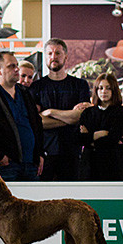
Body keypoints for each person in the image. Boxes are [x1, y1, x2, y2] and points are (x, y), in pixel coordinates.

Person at [0, 51, 44, 181]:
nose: (17, 69)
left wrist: (39, 153)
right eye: (11, 66)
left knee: (31, 201)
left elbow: (36, 124)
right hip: (3, 166)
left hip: (30, 164)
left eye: (16, 65)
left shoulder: (25, 94)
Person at [27, 38, 91, 181]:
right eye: (49, 53)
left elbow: (82, 117)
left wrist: (50, 112)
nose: (53, 57)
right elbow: (36, 122)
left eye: (57, 53)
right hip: (45, 153)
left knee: (71, 199)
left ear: (66, 57)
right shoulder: (36, 87)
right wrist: (71, 118)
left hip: (72, 152)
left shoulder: (79, 85)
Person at [77, 73, 123, 181]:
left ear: (114, 90)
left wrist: (91, 139)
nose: (103, 91)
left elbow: (113, 138)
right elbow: (80, 138)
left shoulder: (120, 112)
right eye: (100, 88)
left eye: (108, 88)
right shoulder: (87, 112)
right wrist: (100, 134)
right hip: (89, 166)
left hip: (112, 165)